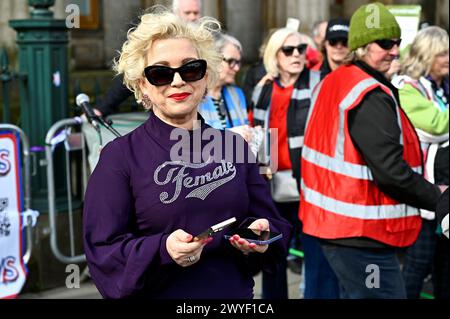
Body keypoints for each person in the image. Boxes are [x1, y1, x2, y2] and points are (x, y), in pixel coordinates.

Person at [82, 8, 291, 299]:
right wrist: (164, 249)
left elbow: (275, 227)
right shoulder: (119, 158)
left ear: (206, 77)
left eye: (190, 69)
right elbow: (103, 254)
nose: (178, 81)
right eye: (160, 73)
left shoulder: (234, 147)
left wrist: (261, 236)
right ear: (143, 86)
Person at [299, 2, 443, 299]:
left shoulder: (337, 80)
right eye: (385, 43)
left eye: (397, 43)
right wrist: (439, 198)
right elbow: (391, 172)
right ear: (362, 46)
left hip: (340, 227)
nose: (394, 51)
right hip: (361, 235)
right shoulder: (367, 93)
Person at [251, 28, 321, 299]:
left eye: (301, 49)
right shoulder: (264, 88)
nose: (296, 55)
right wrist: (260, 167)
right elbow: (256, 130)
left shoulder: (318, 82)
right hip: (272, 183)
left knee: (314, 253)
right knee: (274, 253)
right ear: (275, 55)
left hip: (309, 181)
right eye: (288, 50)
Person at [393, 26, 449, 299]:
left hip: (443, 193)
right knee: (417, 265)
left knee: (445, 267)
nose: (448, 59)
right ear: (426, 56)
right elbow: (438, 126)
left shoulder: (441, 86)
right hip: (423, 197)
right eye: (443, 54)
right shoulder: (407, 88)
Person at [94, 0, 203, 117]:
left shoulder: (210, 42)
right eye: (187, 13)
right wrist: (102, 109)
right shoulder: (157, 42)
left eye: (196, 13)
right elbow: (127, 78)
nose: (192, 17)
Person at [199, 33, 249, 131]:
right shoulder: (193, 97)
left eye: (238, 62)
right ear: (212, 59)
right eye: (231, 61)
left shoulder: (237, 94)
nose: (237, 68)